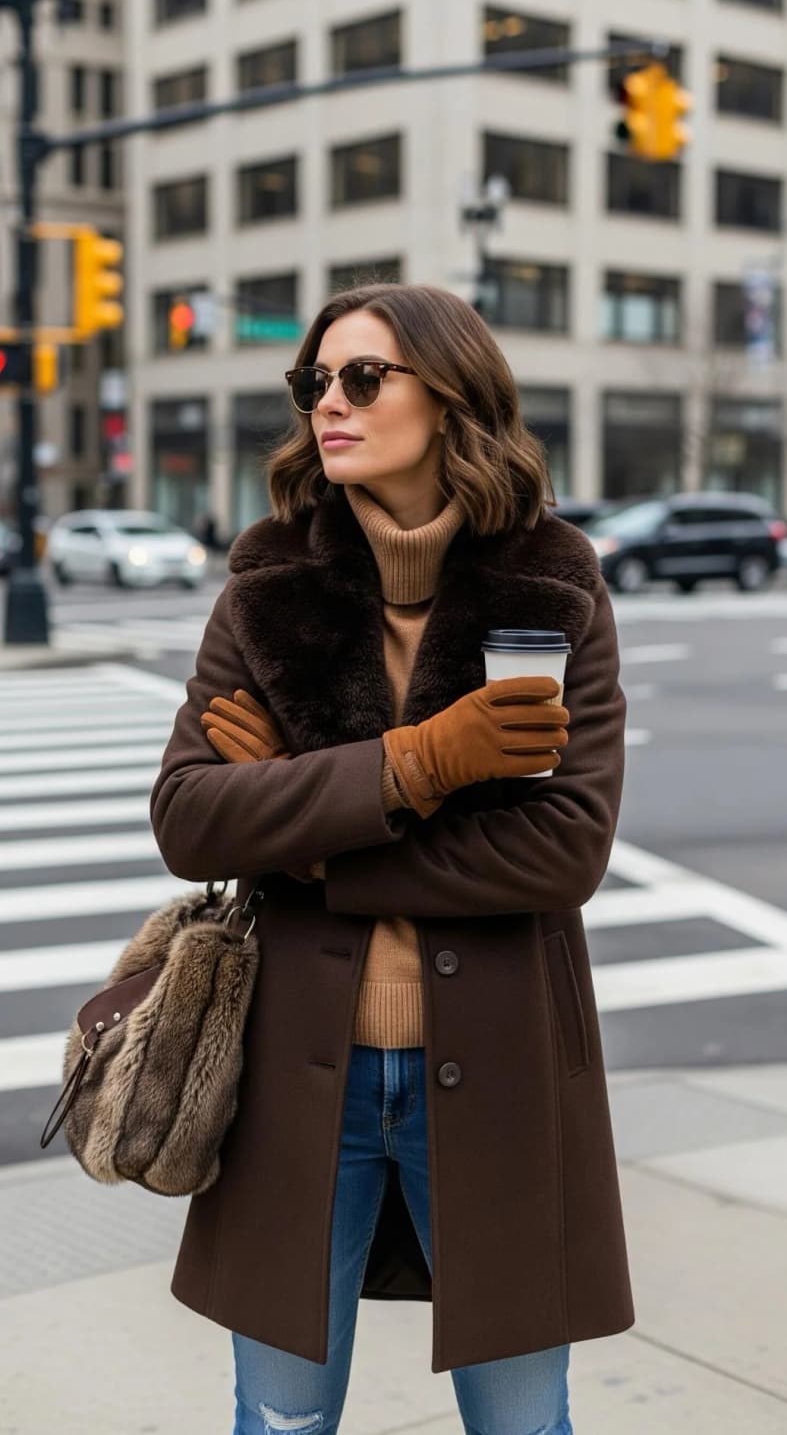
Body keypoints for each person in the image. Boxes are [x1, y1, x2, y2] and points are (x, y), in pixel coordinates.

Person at [149, 283, 634, 1435]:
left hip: (503, 1059)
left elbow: (563, 847)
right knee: (282, 1422)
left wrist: (313, 840)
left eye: (364, 377)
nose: (331, 400)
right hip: (293, 1070)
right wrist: (416, 764)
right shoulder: (269, 582)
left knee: (522, 1422)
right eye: (314, 379)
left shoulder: (555, 583)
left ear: (451, 396)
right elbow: (190, 816)